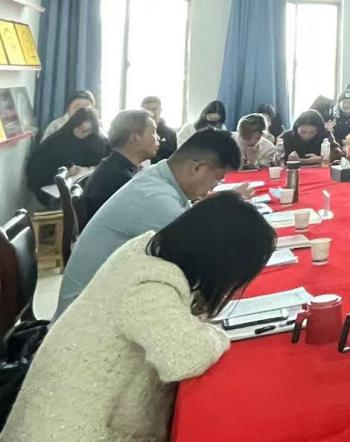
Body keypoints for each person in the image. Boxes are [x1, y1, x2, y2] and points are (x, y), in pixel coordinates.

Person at [1, 193, 274, 442]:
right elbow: (184, 358)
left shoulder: (145, 250)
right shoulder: (148, 285)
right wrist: (216, 334)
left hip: (65, 433)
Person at [55, 128, 244, 319]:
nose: (213, 187)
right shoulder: (155, 199)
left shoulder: (160, 177)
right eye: (217, 180)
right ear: (198, 168)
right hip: (86, 321)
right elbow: (205, 260)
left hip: (102, 303)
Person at [82, 109, 159, 220]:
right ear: (135, 138)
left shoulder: (116, 166)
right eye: (154, 132)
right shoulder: (117, 178)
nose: (158, 137)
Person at [25, 107, 110, 203]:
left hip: (84, 184)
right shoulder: (56, 141)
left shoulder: (96, 140)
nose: (83, 133)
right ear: (73, 124)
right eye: (80, 129)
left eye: (88, 130)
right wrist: (67, 172)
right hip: (53, 188)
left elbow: (105, 158)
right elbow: (36, 170)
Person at [141, 95, 179, 161]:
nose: (151, 113)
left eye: (154, 109)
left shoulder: (170, 134)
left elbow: (173, 159)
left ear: (160, 110)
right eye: (147, 110)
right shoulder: (135, 132)